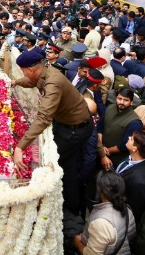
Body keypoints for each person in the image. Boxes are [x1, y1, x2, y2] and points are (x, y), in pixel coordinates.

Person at [12, 50, 94, 215]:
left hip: (75, 130)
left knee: (53, 163)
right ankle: (73, 203)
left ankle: (60, 208)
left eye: (23, 71)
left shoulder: (53, 82)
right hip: (67, 124)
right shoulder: (45, 73)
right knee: (67, 165)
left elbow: (44, 117)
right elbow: (32, 82)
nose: (24, 74)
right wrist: (16, 82)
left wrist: (20, 147)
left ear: (31, 69)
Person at [74, 171, 136, 255]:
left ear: (101, 191)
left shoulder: (102, 222)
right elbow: (130, 235)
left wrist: (78, 242)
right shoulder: (126, 209)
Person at [116, 131, 145, 224]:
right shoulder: (134, 157)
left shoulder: (140, 182)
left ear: (135, 148)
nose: (129, 137)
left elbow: (135, 210)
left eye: (132, 139)